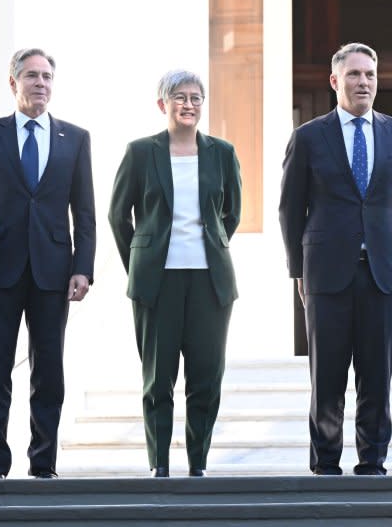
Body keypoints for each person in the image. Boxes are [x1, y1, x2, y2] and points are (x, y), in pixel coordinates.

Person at [0, 48, 96, 479]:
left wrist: (82, 268)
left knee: (49, 371)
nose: (41, 84)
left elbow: (84, 213)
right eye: (31, 76)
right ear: (13, 83)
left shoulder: (76, 139)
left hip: (53, 272)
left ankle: (43, 464)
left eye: (47, 76)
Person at [279, 43, 392, 476]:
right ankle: (325, 463)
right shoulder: (308, 137)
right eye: (354, 75)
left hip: (384, 272)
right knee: (326, 375)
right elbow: (291, 208)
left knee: (376, 375)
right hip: (325, 273)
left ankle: (373, 460)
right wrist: (296, 270)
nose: (363, 82)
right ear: (334, 81)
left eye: (370, 75)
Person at [109, 70, 241, 478]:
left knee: (206, 376)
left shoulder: (221, 152)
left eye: (196, 98)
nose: (189, 104)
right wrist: (140, 260)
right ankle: (159, 463)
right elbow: (118, 216)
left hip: (210, 280)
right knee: (157, 377)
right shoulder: (140, 152)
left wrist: (211, 246)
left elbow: (231, 213)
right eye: (180, 97)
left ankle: (197, 463)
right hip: (157, 281)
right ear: (162, 104)